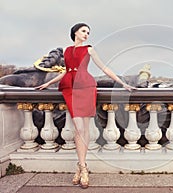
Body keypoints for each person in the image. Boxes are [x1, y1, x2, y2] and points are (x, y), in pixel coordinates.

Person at [35, 23, 135, 189]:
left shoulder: (89, 49)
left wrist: (122, 83)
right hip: (70, 89)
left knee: (84, 129)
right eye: (83, 31)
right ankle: (83, 167)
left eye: (88, 32)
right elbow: (65, 71)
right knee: (78, 127)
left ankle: (82, 168)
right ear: (75, 32)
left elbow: (104, 68)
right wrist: (48, 84)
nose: (86, 34)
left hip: (87, 87)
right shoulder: (66, 51)